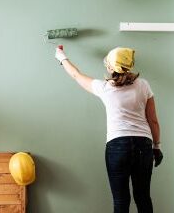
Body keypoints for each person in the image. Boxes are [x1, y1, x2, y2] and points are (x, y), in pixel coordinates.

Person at [55, 46, 163, 213]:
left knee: (121, 201)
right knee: (143, 197)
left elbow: (76, 74)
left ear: (111, 68)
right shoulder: (143, 85)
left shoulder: (104, 88)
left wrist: (61, 57)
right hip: (143, 146)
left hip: (117, 148)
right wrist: (156, 147)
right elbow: (153, 120)